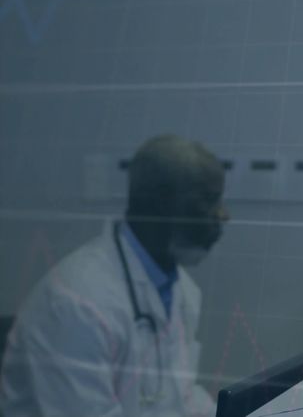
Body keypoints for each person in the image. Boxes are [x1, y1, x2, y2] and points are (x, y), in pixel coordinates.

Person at [0, 135, 228, 417]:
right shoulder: (75, 306)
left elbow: (178, 396)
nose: (222, 216)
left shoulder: (178, 288)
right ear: (156, 205)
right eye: (204, 203)